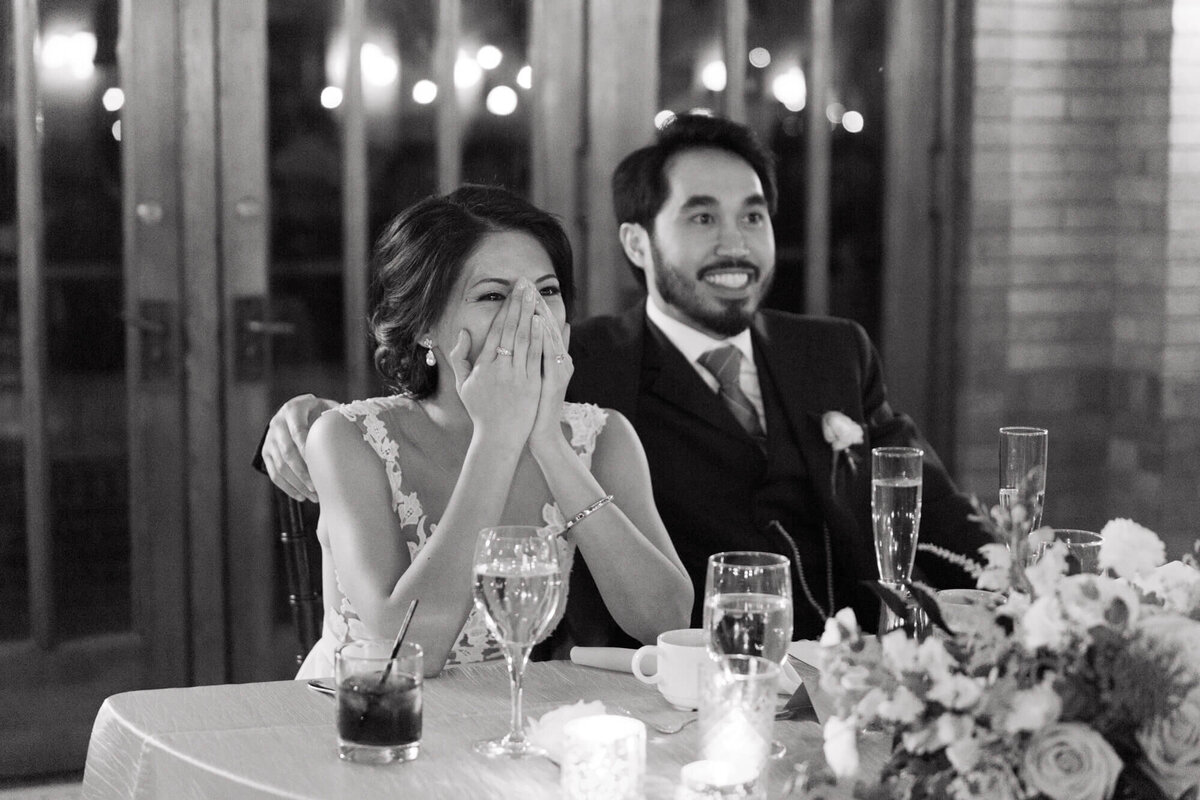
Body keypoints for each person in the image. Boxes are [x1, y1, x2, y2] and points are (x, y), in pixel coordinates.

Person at [261, 115, 989, 648]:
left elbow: (929, 508)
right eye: (701, 217)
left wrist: (1030, 579)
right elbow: (422, 413)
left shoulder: (831, 352)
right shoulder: (603, 358)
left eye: (754, 215)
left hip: (825, 660)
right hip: (407, 720)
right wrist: (303, 416)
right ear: (638, 243)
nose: (530, 321)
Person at [285, 185, 691, 678]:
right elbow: (410, 651)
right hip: (362, 717)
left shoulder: (603, 436)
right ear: (424, 326)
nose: (530, 317)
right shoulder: (347, 438)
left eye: (547, 291)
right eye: (494, 296)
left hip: (507, 719)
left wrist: (548, 443)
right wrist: (496, 439)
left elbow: (667, 622)